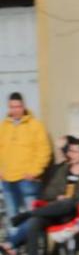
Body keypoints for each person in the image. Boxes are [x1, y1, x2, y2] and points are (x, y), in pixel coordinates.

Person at [0, 92, 51, 228]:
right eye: (12, 107)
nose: (15, 110)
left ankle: (31, 246)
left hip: (27, 179)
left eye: (18, 107)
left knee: (31, 215)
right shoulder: (4, 126)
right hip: (7, 179)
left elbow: (44, 151)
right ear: (8, 108)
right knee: (12, 215)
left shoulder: (35, 125)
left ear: (23, 106)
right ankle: (14, 248)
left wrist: (34, 172)